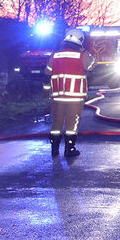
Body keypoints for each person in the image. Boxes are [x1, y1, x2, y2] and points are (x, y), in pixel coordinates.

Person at [45, 28, 96, 158]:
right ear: (80, 42)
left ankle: (54, 149)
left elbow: (48, 71)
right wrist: (86, 52)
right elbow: (91, 66)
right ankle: (69, 149)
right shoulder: (81, 55)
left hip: (58, 96)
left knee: (56, 122)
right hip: (75, 96)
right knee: (72, 122)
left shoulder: (55, 55)